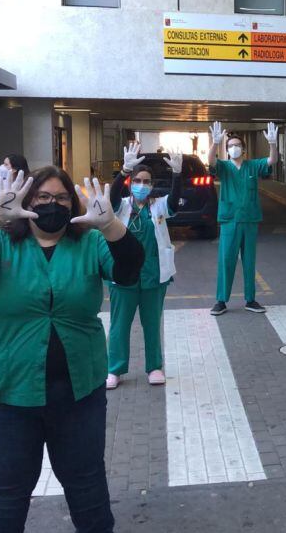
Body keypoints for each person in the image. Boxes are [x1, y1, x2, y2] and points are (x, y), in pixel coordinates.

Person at [0, 167, 144, 532]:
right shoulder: (1, 242)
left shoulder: (89, 242)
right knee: (6, 494)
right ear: (27, 201)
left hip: (78, 392)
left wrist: (111, 226)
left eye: (62, 198)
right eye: (43, 198)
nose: (53, 205)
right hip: (5, 393)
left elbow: (129, 271)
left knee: (88, 488)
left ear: (73, 202)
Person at [104, 142, 183, 389]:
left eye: (146, 181)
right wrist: (124, 172)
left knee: (151, 323)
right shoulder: (122, 206)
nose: (141, 185)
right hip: (124, 276)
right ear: (131, 183)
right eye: (137, 180)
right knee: (119, 325)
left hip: (153, 275)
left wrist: (177, 175)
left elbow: (175, 200)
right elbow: (111, 198)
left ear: (152, 185)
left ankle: (154, 367)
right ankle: (114, 369)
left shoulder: (158, 206)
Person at [207, 121, 279, 315]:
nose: (234, 148)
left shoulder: (252, 166)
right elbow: (211, 161)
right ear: (227, 150)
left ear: (244, 149)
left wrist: (273, 143)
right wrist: (215, 143)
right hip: (230, 220)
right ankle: (221, 301)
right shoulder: (223, 167)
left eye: (237, 145)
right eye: (230, 146)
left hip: (250, 220)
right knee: (226, 260)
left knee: (249, 261)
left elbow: (271, 161)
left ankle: (250, 299)